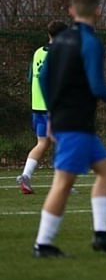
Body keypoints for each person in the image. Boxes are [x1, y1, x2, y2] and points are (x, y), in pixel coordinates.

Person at [32, 0, 106, 258]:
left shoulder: (60, 39)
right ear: (97, 11)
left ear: (71, 11)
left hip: (70, 121)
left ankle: (101, 235)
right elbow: (97, 85)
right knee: (63, 183)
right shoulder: (90, 42)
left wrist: (51, 113)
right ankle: (42, 244)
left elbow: (42, 79)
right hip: (75, 122)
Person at [16, 20, 68, 194]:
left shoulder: (38, 52)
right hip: (51, 107)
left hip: (36, 105)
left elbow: (31, 77)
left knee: (43, 143)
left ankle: (26, 175)